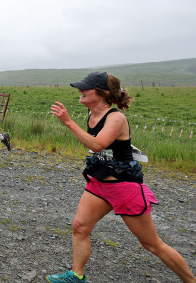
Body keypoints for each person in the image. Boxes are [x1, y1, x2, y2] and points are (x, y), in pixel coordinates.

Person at [46, 71, 195, 283]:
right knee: (80, 227)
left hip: (124, 186)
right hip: (99, 183)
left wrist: (68, 122)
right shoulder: (92, 115)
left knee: (151, 244)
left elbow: (98, 144)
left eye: (85, 88)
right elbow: (95, 146)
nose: (80, 90)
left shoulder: (116, 118)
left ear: (103, 93)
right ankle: (76, 276)